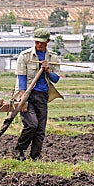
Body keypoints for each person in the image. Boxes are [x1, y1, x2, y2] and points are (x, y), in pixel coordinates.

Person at [13, 28, 63, 161]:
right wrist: (22, 97)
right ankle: (19, 149)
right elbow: (21, 78)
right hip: (27, 94)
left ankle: (35, 156)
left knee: (40, 129)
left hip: (42, 95)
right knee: (31, 125)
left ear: (47, 42)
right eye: (37, 42)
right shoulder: (25, 56)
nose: (39, 45)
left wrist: (47, 70)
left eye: (42, 42)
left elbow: (56, 79)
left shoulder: (53, 57)